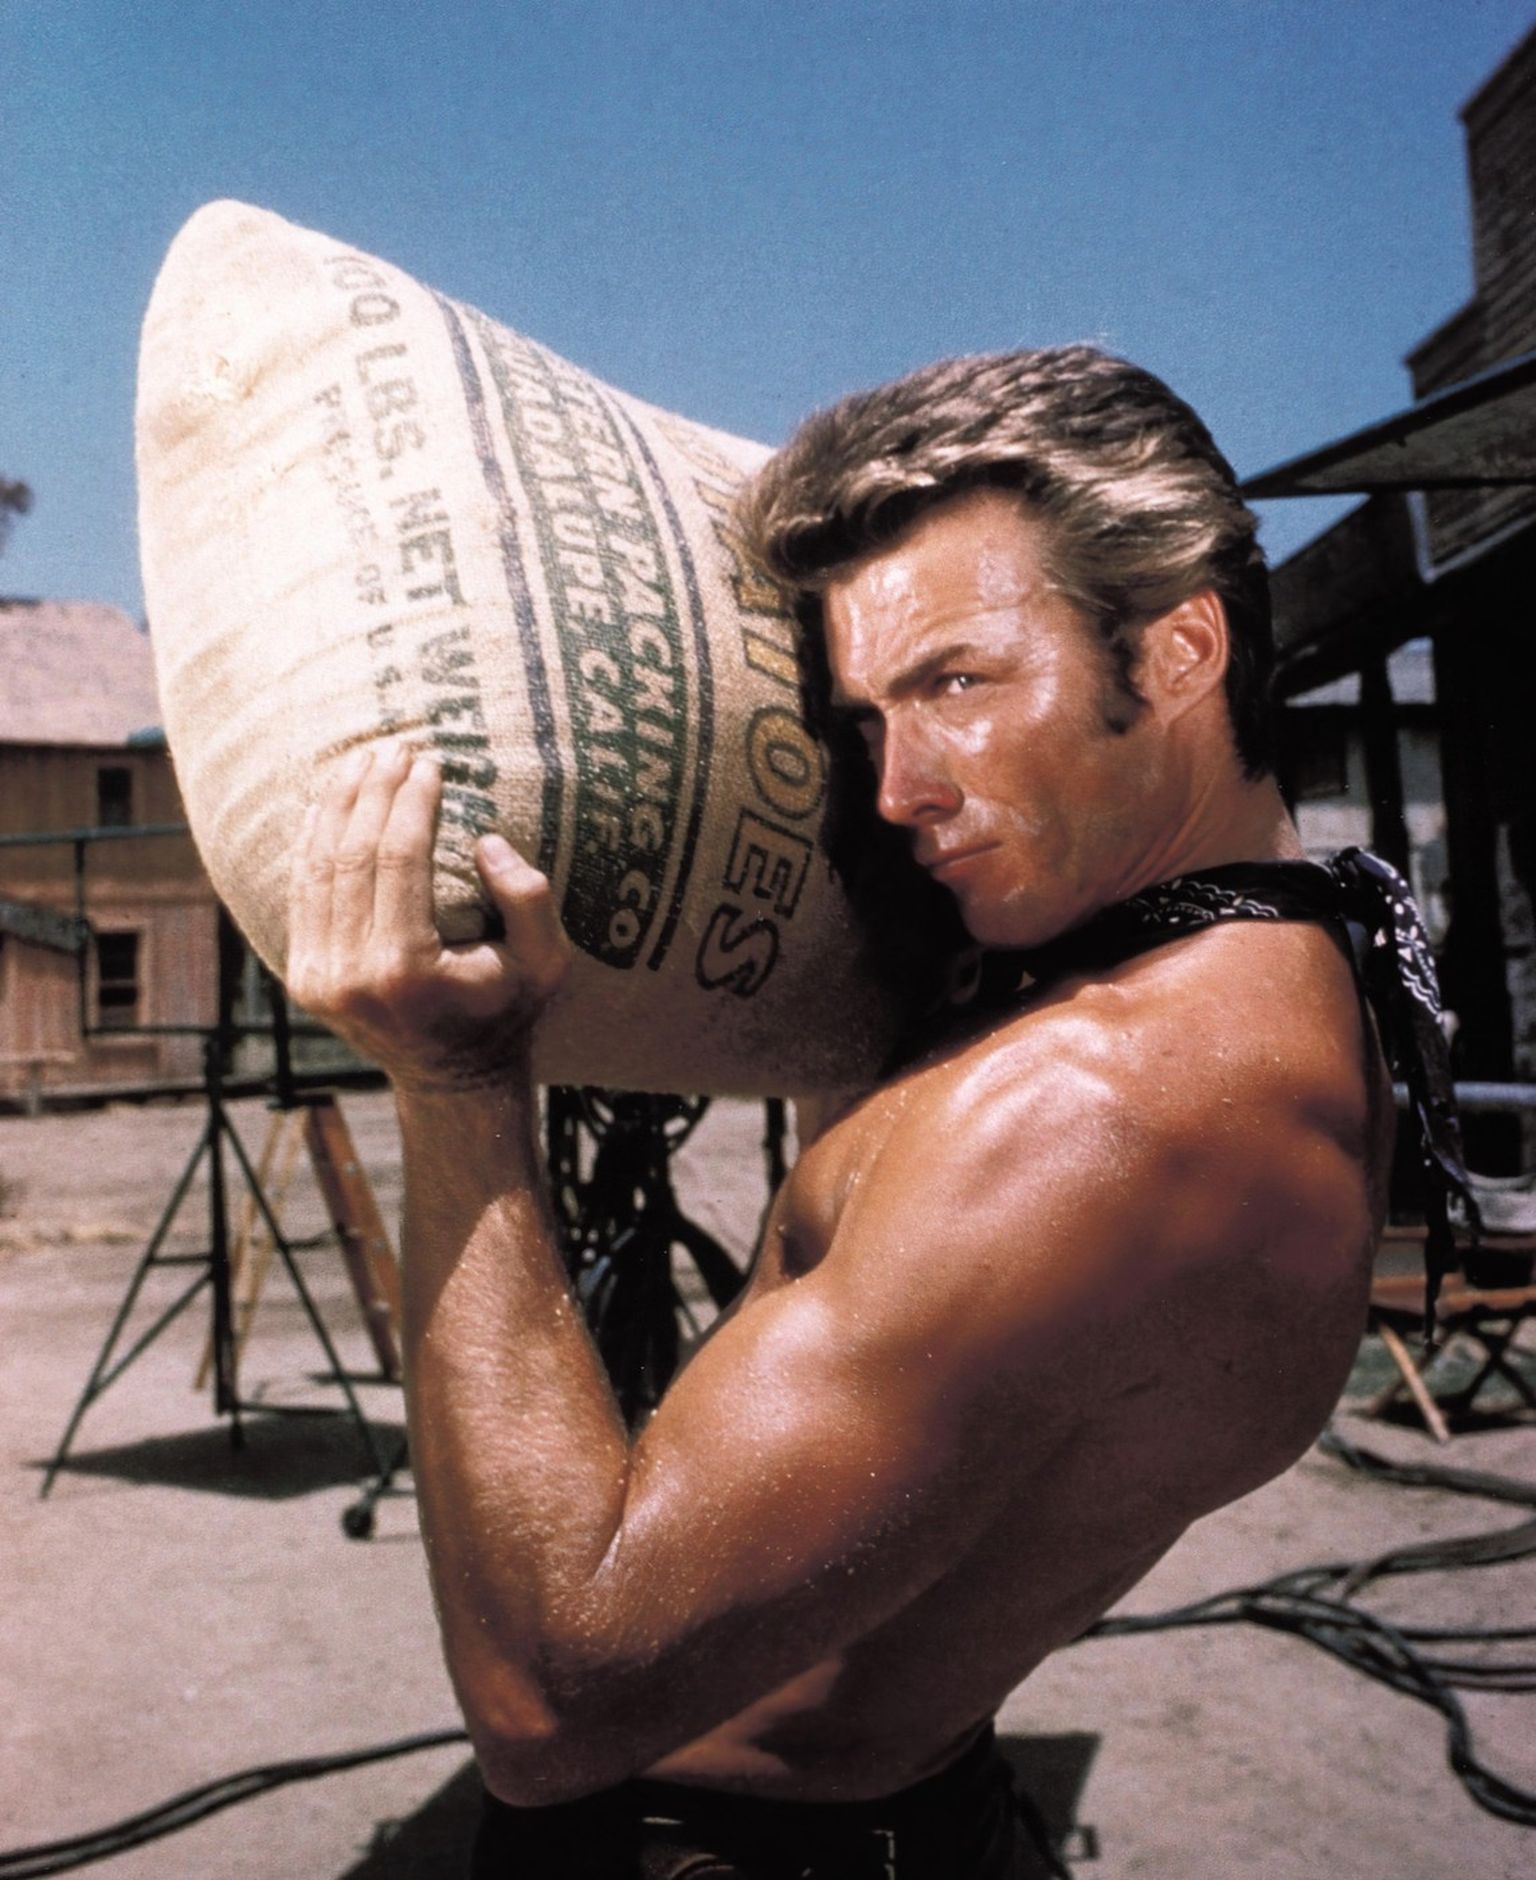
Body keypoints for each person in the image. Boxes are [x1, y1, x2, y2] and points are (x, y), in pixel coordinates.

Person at [286, 346, 1448, 1878]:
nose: (899, 790)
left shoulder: (1090, 1107)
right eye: (868, 718)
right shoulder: (1288, 964)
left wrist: (455, 1085)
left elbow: (556, 1699)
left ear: (1178, 653)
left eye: (959, 682)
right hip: (908, 1809)